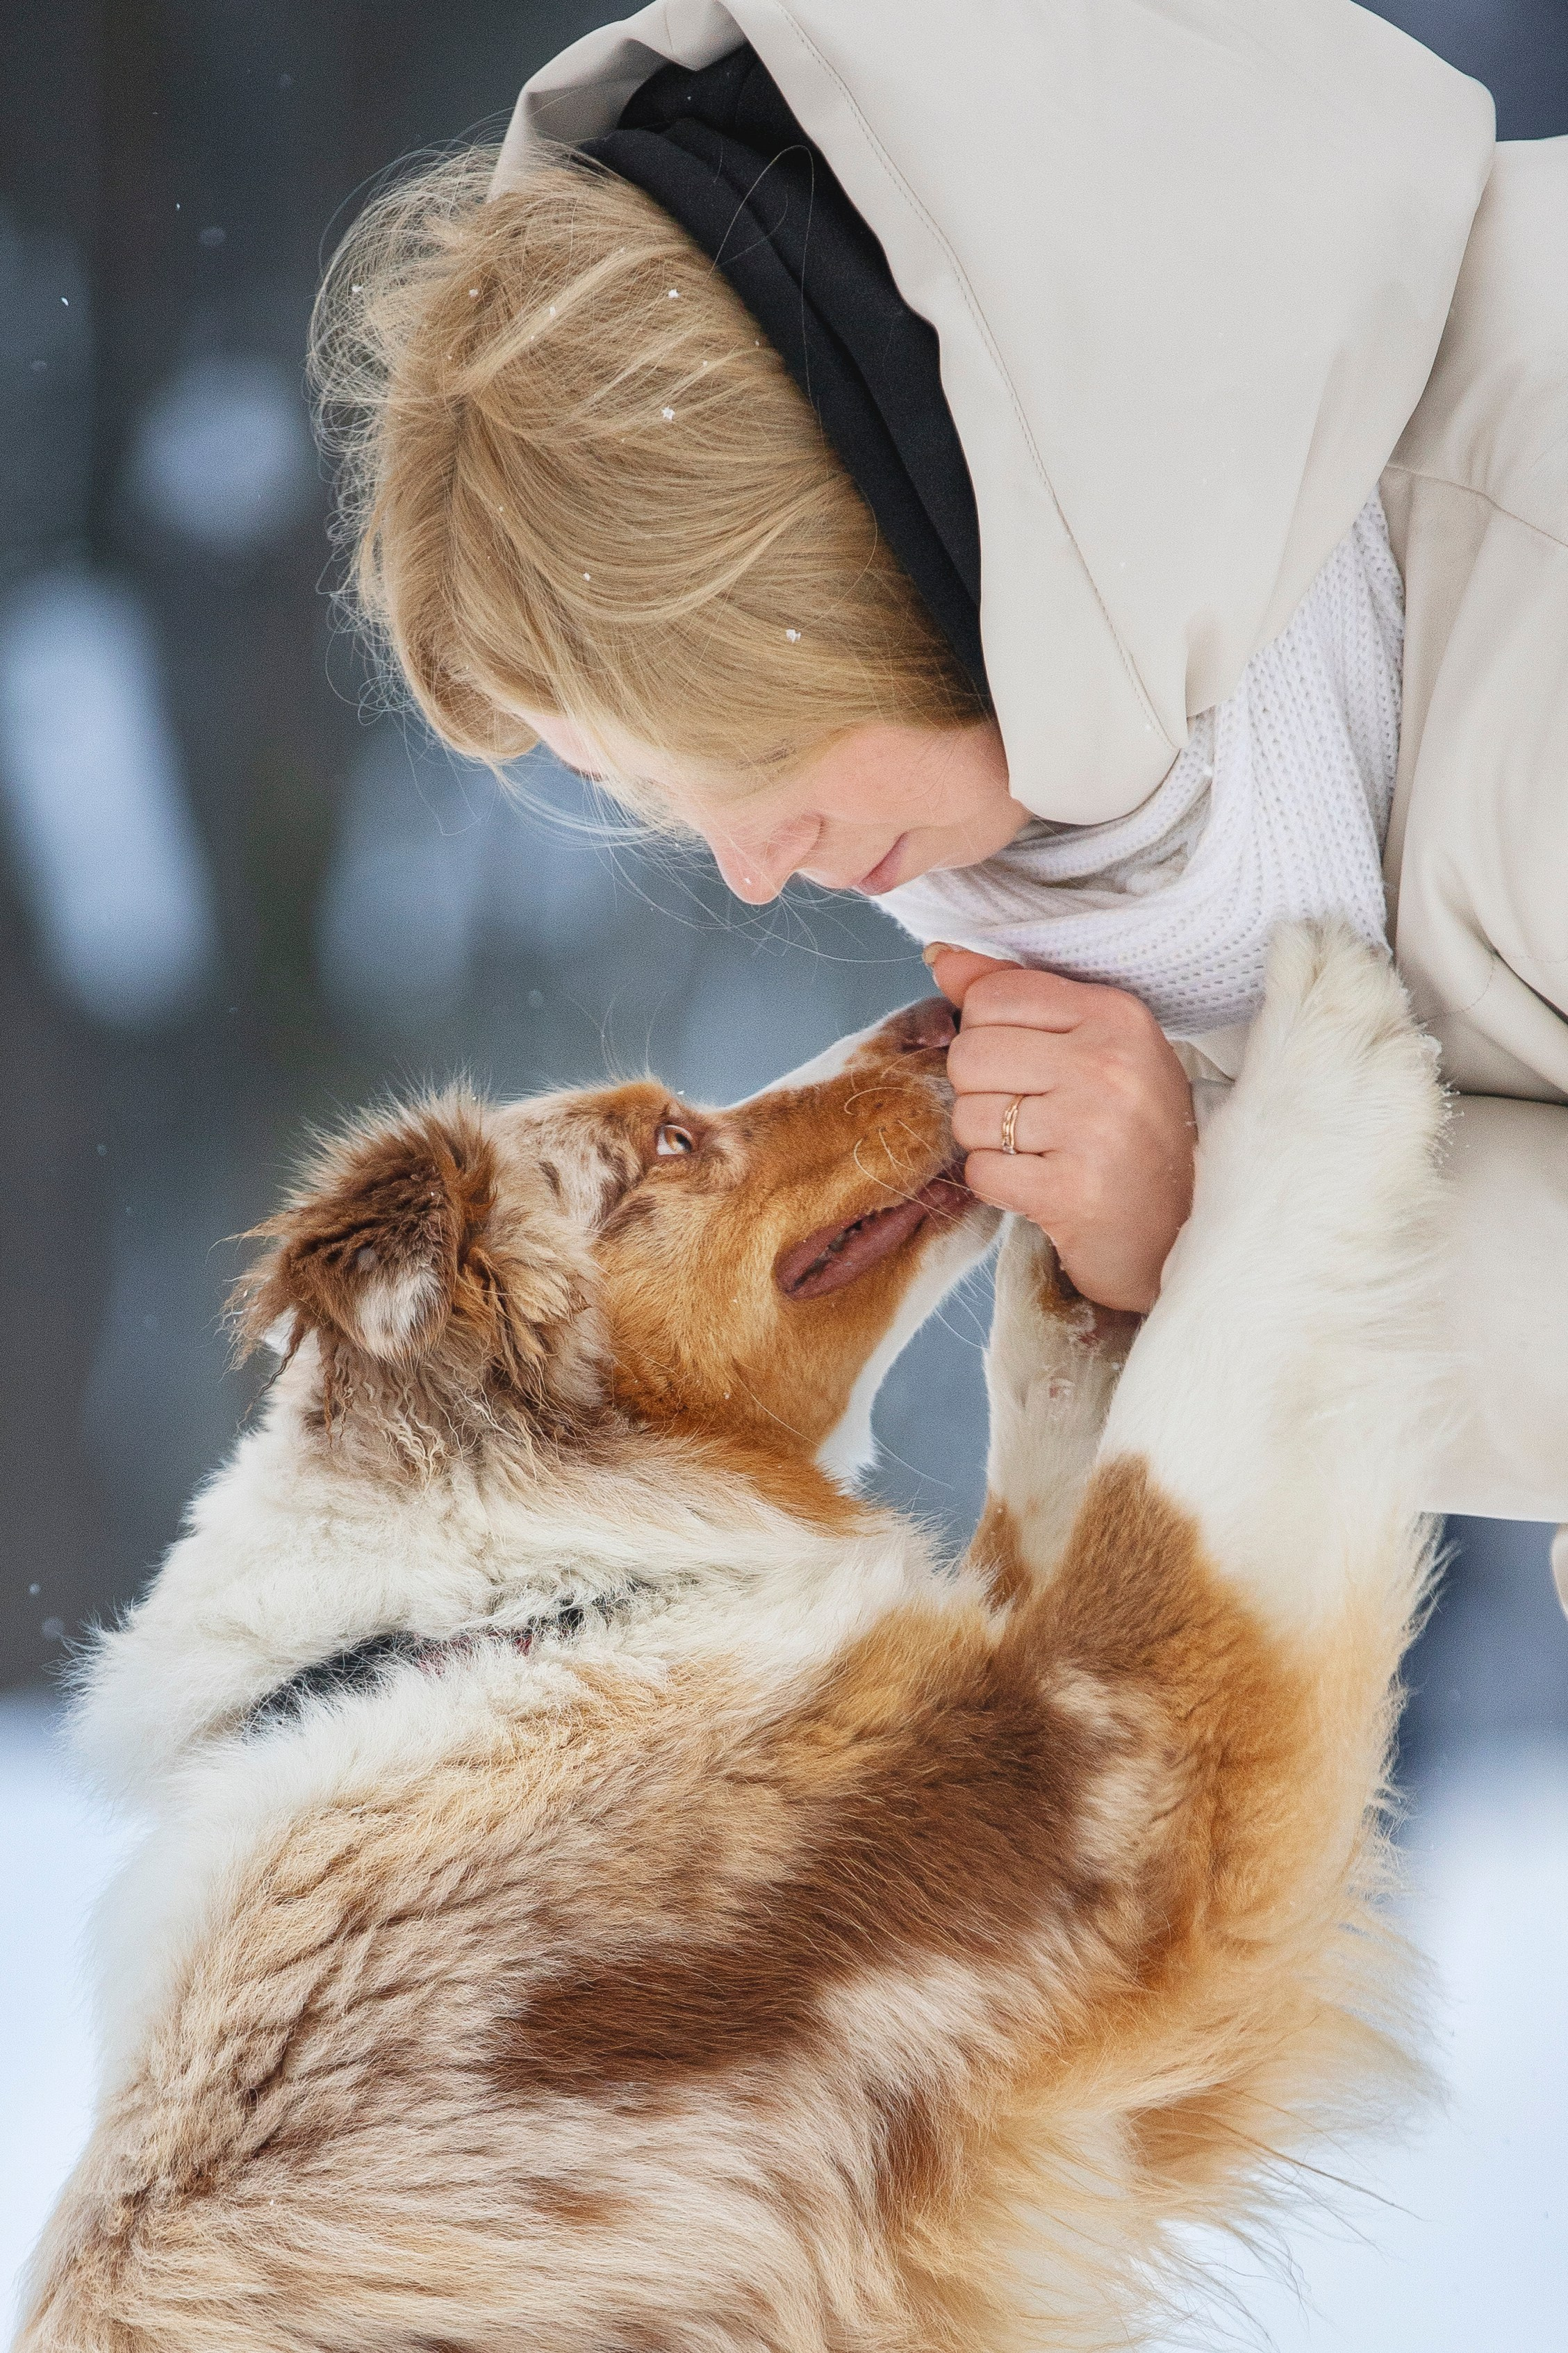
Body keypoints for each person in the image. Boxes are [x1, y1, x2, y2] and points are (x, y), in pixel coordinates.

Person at [311, 0, 1568, 1532]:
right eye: (655, 796)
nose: (753, 867)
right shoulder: (1144, 843)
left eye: (747, 748)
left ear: (892, 565)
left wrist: (1229, 1227)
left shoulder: (1534, 548)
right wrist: (1207, 1212)